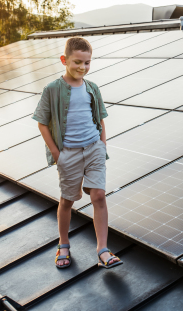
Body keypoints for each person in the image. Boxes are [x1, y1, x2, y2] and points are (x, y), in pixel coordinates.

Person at [32, 36, 123, 269]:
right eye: (77, 62)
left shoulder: (92, 88)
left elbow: (100, 119)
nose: (82, 68)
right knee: (67, 201)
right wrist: (56, 153)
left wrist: (102, 145)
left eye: (87, 63)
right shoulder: (52, 89)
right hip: (68, 153)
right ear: (64, 60)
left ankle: (102, 249)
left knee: (99, 196)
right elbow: (42, 122)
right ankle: (63, 244)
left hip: (93, 149)